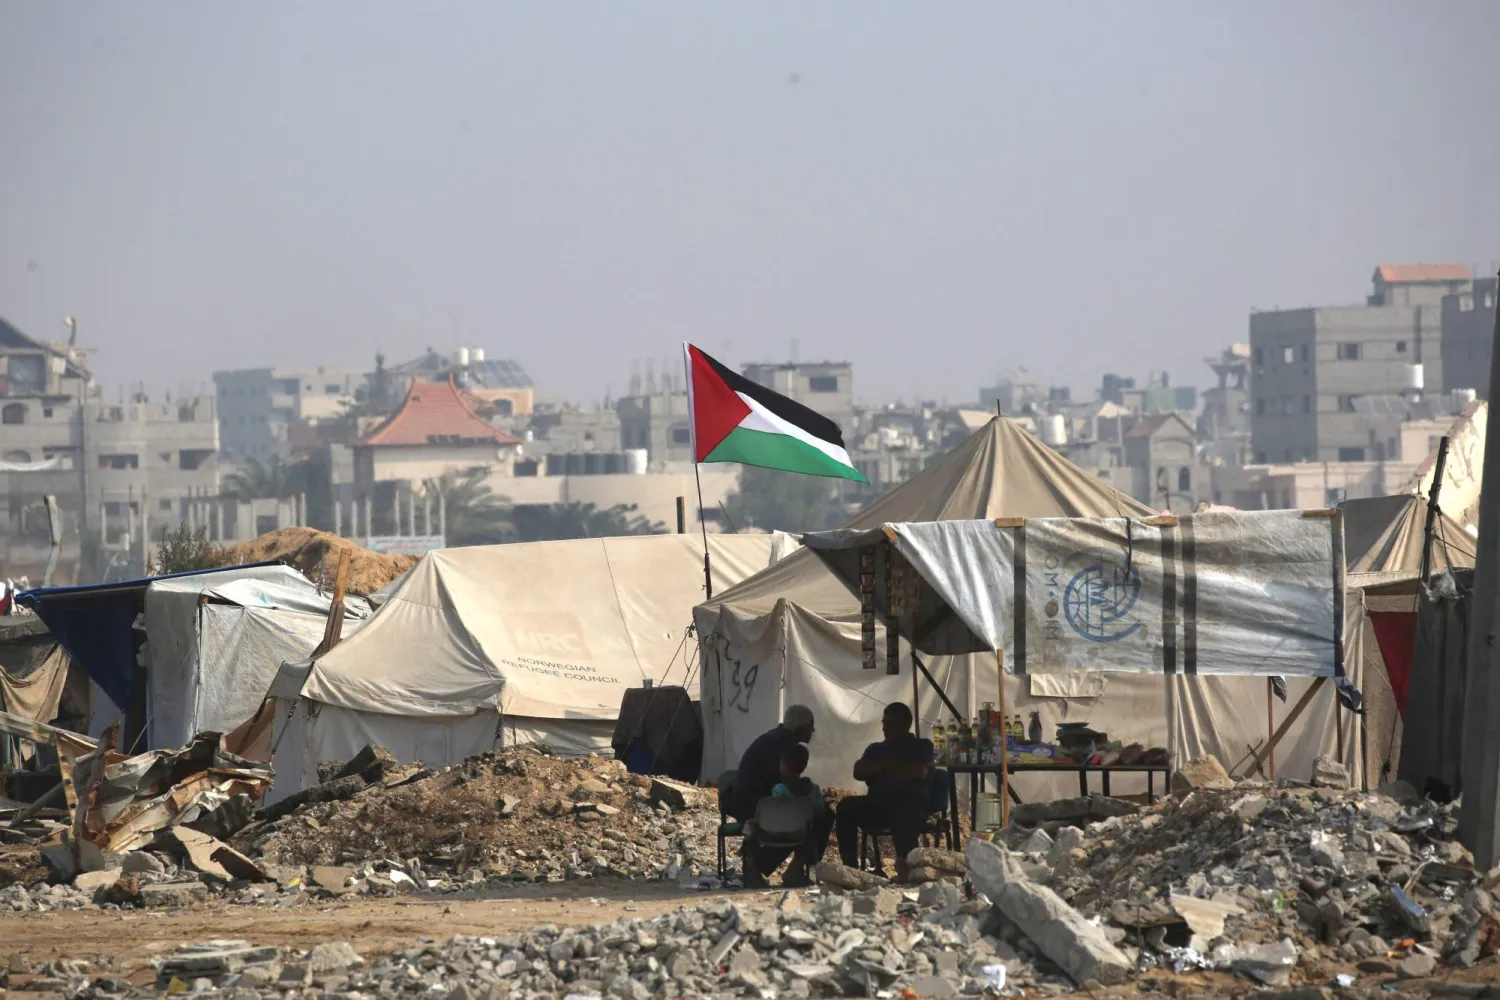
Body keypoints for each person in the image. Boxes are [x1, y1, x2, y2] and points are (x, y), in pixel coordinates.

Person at [836, 702, 934, 882]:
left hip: (910, 806)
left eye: (891, 723)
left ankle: (906, 867)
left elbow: (918, 772)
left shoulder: (921, 746)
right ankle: (850, 869)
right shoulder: (875, 749)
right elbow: (858, 771)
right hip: (878, 806)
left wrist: (878, 769)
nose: (884, 728)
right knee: (845, 807)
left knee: (902, 806)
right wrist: (891, 765)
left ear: (906, 724)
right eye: (884, 723)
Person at [741, 742, 828, 888]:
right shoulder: (813, 790)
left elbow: (776, 810)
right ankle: (796, 868)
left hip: (773, 833)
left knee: (750, 828)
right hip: (801, 835)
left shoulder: (779, 789)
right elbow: (820, 812)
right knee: (812, 828)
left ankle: (751, 870)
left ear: (785, 766)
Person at [727, 705, 816, 824]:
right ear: (800, 727)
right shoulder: (780, 746)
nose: (813, 730)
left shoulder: (777, 739)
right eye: (810, 726)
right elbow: (780, 786)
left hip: (751, 802)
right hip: (754, 807)